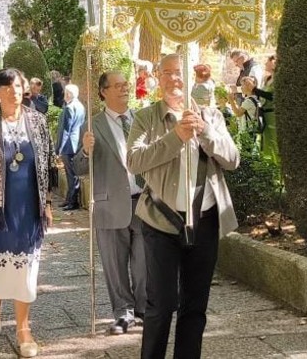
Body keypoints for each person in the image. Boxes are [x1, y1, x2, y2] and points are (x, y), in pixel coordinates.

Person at [128, 53, 240, 359]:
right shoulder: (146, 117)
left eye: (179, 73)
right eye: (167, 73)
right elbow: (135, 161)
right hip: (160, 221)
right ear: (158, 78)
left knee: (195, 306)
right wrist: (175, 136)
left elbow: (232, 159)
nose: (174, 79)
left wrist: (206, 132)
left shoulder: (211, 115)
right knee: (161, 305)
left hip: (203, 221)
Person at [0, 68, 57, 358]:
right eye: (6, 86)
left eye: (17, 85)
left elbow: (47, 163)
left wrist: (47, 204)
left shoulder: (38, 120)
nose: (14, 91)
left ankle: (23, 328)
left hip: (29, 206)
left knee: (26, 266)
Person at [73, 71, 146, 336]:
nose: (124, 89)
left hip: (144, 203)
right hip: (109, 204)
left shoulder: (141, 119)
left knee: (144, 264)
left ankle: (143, 311)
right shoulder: (93, 125)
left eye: (125, 84)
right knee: (115, 266)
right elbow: (79, 168)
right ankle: (123, 313)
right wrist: (85, 150)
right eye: (117, 86)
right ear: (103, 91)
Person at [56, 84, 86, 211]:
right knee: (72, 174)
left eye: (65, 93)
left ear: (68, 94)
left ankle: (72, 201)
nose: (64, 95)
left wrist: (59, 149)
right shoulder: (80, 106)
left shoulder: (69, 108)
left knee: (71, 174)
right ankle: (69, 199)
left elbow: (65, 131)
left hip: (68, 145)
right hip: (77, 142)